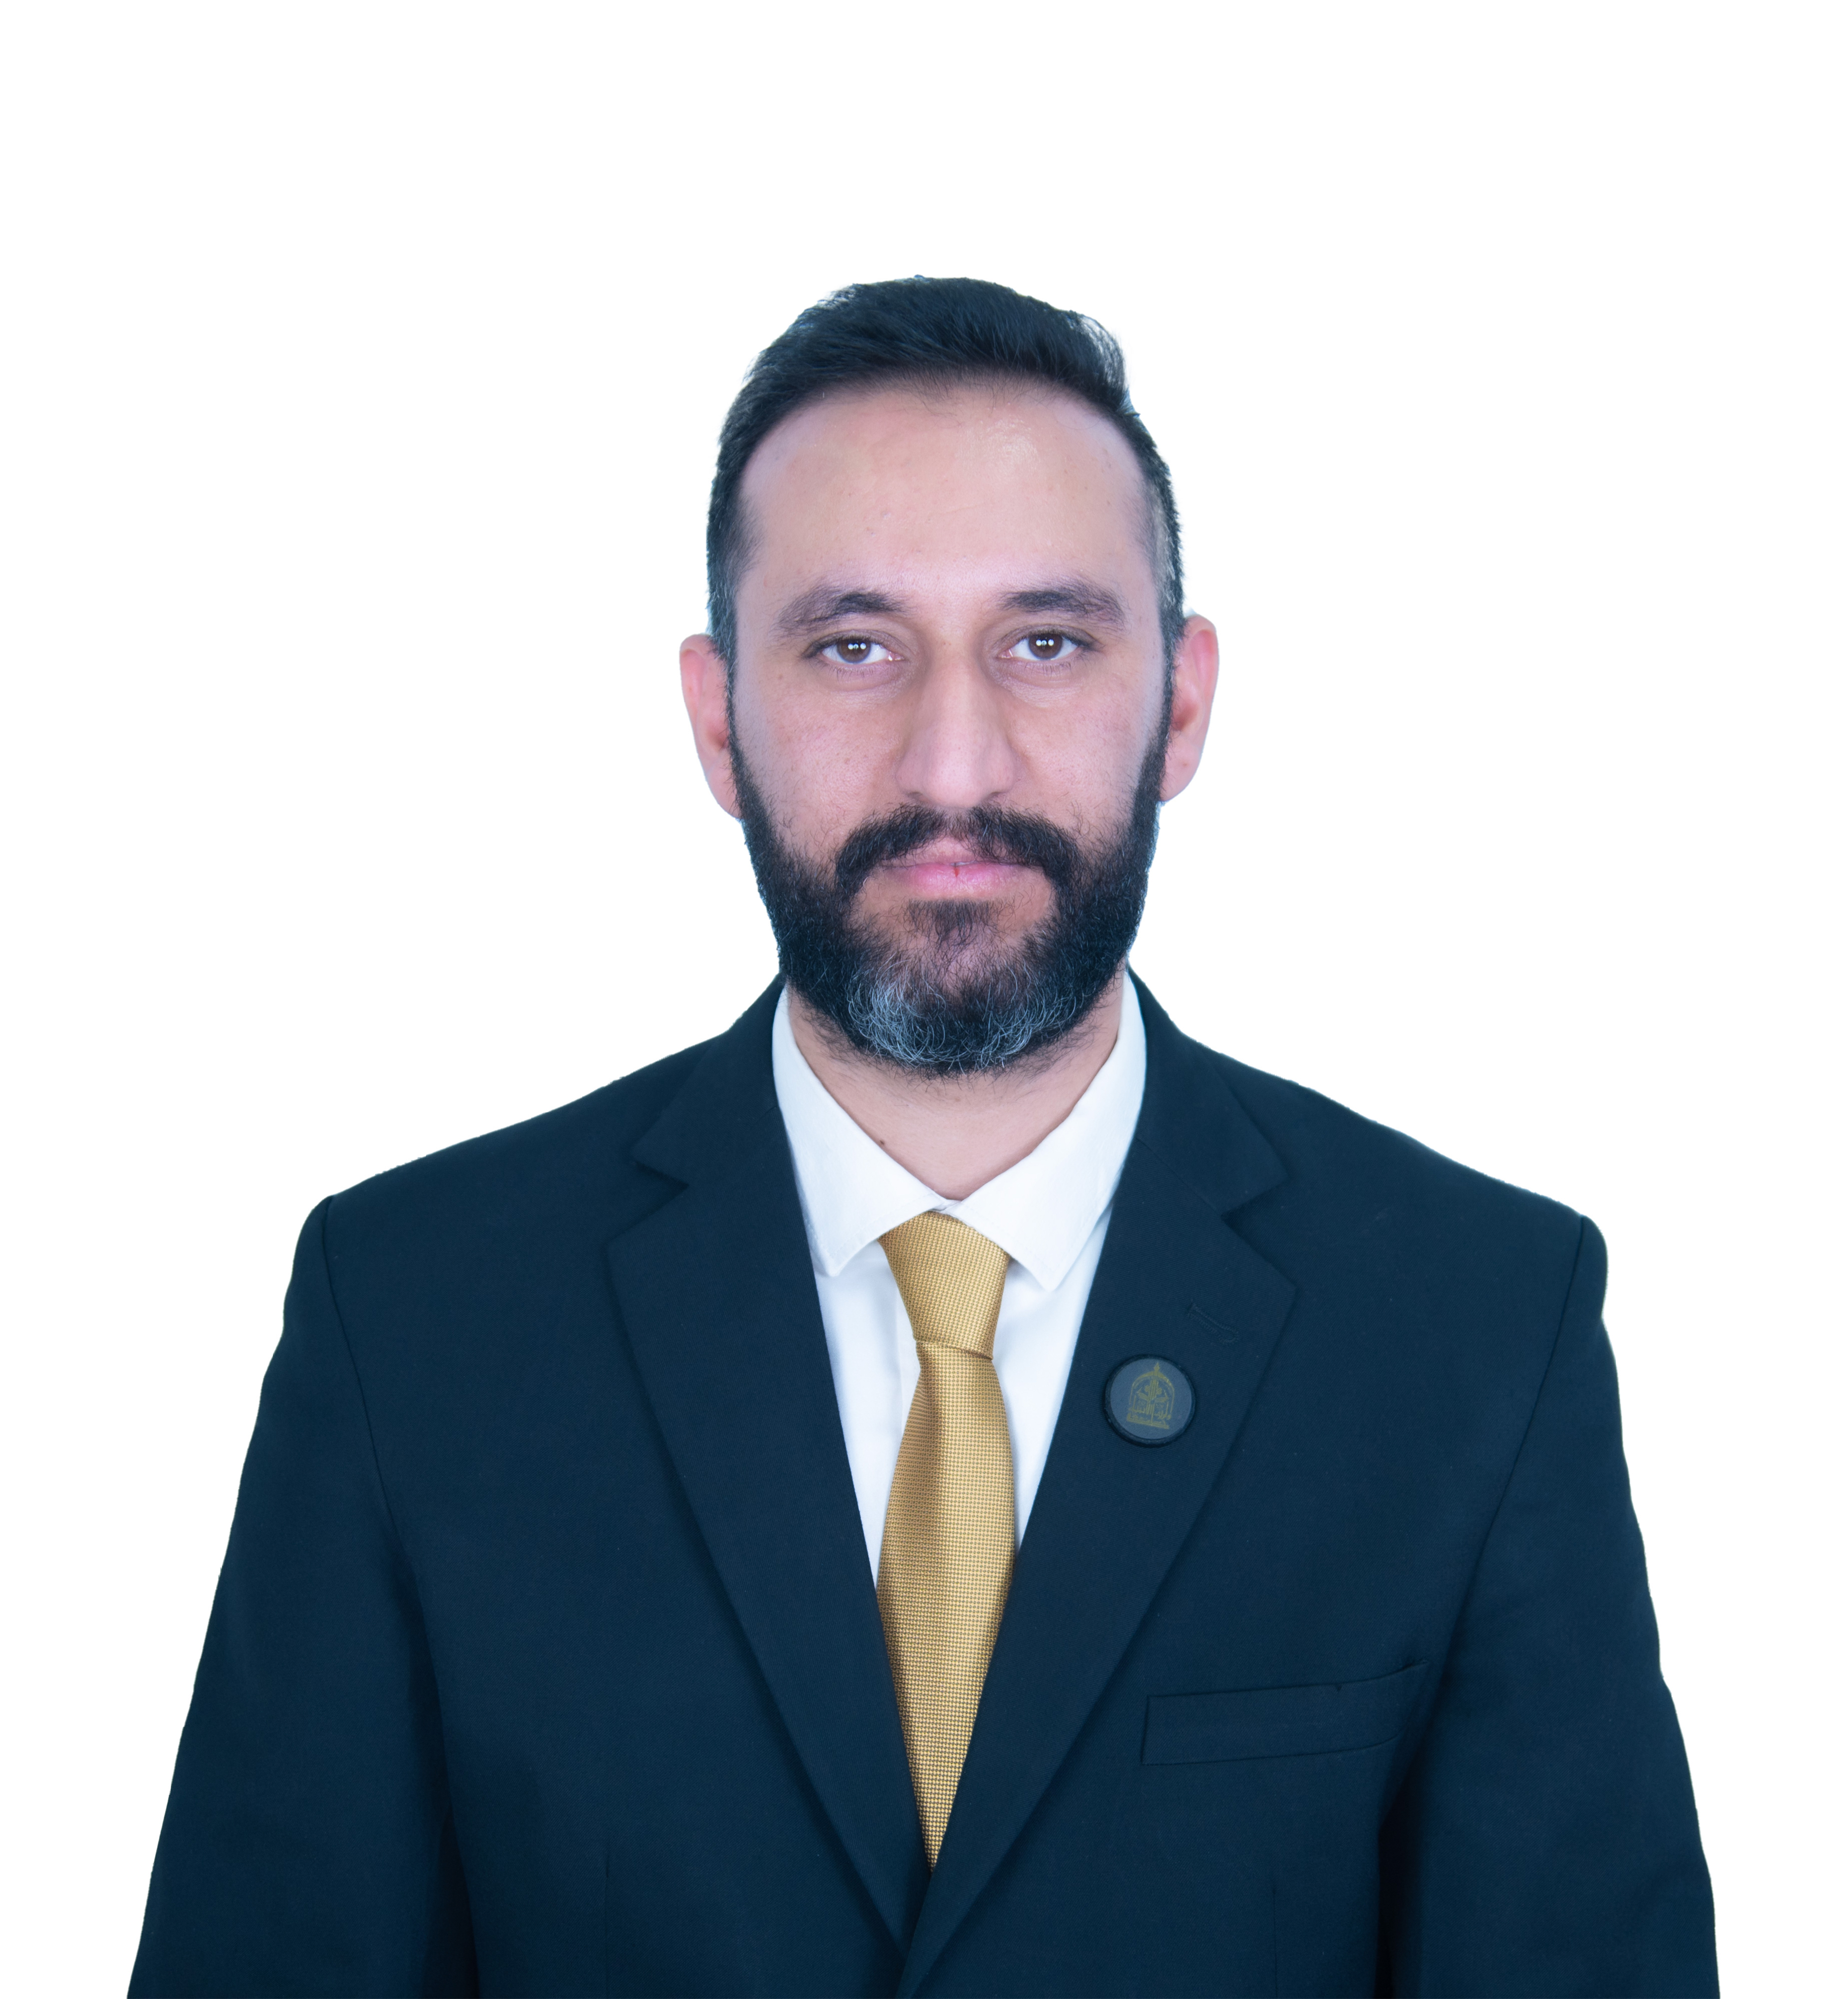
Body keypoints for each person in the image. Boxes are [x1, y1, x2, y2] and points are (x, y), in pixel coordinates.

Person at [130, 278, 1717, 1998]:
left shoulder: (1477, 1328)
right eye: (853, 646)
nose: (955, 765)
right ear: (718, 717)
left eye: (1047, 642)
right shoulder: (412, 1319)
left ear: (1182, 704)